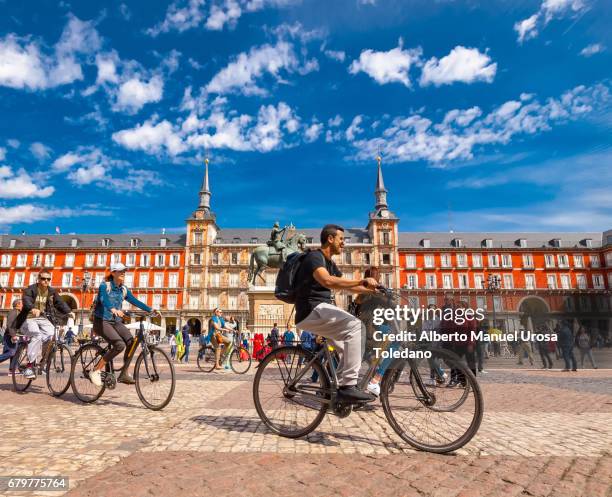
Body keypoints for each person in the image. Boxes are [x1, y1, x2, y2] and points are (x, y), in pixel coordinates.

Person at [294, 224, 379, 403]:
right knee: (357, 326)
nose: (344, 244)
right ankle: (347, 387)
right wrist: (362, 280)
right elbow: (327, 281)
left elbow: (347, 284)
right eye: (341, 239)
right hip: (311, 309)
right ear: (330, 239)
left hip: (321, 311)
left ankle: (335, 392)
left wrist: (372, 290)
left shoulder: (330, 264)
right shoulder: (314, 257)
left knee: (348, 347)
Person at [89, 263, 157, 386]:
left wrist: (150, 309)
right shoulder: (105, 286)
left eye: (124, 271)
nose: (123, 273)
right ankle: (96, 370)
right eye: (120, 271)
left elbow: (134, 300)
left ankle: (124, 373)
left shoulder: (123, 289)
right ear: (113, 273)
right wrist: (113, 309)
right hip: (101, 321)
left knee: (131, 342)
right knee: (120, 344)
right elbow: (104, 300)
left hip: (115, 322)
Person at [14, 271, 75, 380]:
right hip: (28, 318)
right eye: (43, 278)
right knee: (36, 335)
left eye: (48, 279)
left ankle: (43, 362)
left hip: (42, 318)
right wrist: (32, 308)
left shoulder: (51, 291)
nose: (46, 281)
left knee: (54, 335)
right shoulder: (31, 289)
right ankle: (29, 366)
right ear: (38, 279)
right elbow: (26, 299)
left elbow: (59, 302)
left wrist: (69, 311)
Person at [0, 299, 22, 372]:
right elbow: (10, 324)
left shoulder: (18, 312)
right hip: (10, 336)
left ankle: (12, 370)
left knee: (15, 353)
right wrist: (13, 335)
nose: (23, 305)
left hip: (14, 335)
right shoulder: (13, 312)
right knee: (11, 352)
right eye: (22, 304)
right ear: (17, 305)